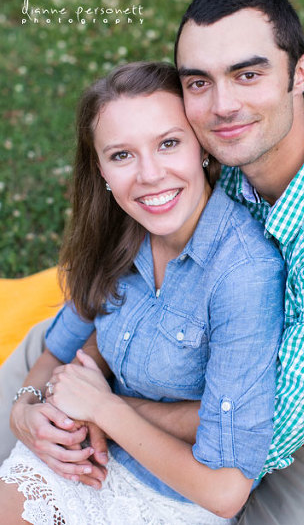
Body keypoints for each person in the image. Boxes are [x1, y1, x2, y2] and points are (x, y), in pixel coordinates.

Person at [0, 0, 304, 524]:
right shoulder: (210, 159)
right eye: (199, 82)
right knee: (36, 370)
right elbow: (97, 297)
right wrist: (32, 405)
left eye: (249, 74)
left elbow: (256, 429)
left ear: (300, 74)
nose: (223, 107)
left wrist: (102, 405)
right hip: (177, 358)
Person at [0, 61, 285, 523]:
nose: (149, 175)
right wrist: (25, 412)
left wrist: (104, 408)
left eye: (168, 144)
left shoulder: (244, 273)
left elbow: (225, 490)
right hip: (78, 461)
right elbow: (56, 351)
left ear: (202, 148)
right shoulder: (116, 231)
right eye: (122, 155)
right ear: (102, 169)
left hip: (174, 495)